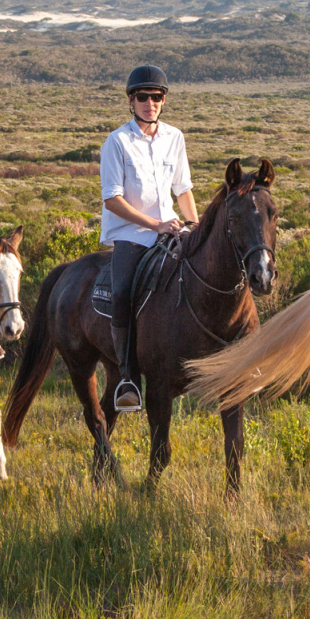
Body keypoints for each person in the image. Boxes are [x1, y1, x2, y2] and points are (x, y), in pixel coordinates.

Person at [100, 64, 198, 413]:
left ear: (163, 101)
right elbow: (113, 199)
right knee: (123, 291)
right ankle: (127, 377)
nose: (150, 103)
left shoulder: (175, 137)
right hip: (132, 234)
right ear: (131, 100)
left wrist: (194, 226)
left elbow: (183, 189)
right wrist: (154, 225)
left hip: (171, 227)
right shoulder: (117, 142)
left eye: (156, 97)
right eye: (143, 97)